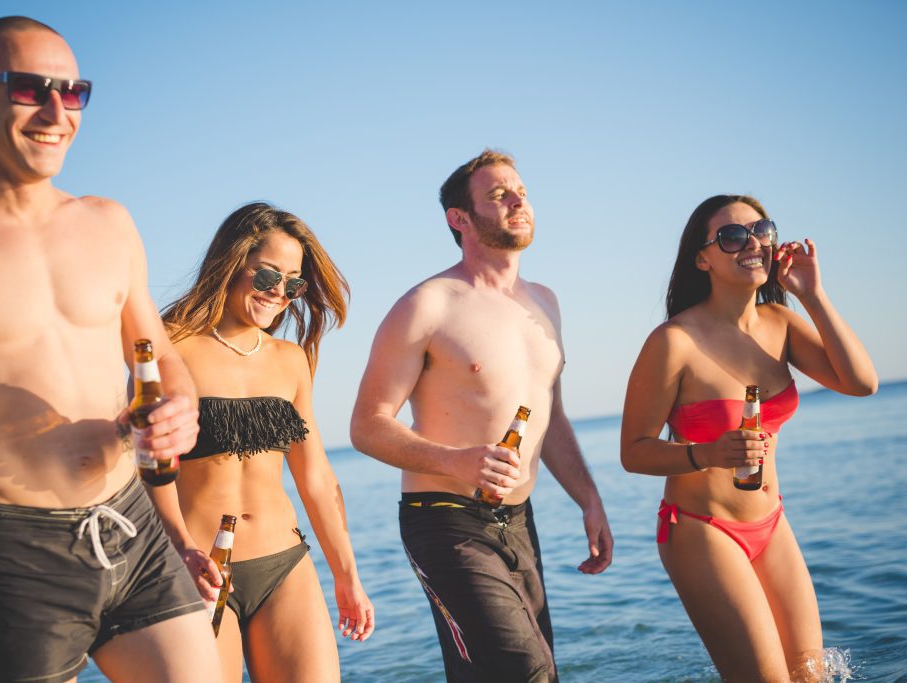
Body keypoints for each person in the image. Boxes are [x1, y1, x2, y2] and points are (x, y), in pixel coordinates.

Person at [0, 16, 222, 683]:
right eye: (28, 88)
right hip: (14, 551)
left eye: (73, 93)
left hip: (132, 522)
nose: (55, 111)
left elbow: (156, 354)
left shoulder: (109, 222)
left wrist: (181, 401)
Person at [350, 149, 613, 682]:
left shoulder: (545, 302)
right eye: (499, 194)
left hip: (519, 521)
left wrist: (588, 498)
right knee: (526, 672)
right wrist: (457, 460)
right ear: (460, 219)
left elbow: (550, 416)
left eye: (521, 191)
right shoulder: (428, 305)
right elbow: (366, 424)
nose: (519, 201)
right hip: (443, 517)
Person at [620, 194, 878, 680]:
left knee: (811, 675)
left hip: (772, 523)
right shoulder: (673, 342)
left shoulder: (780, 323)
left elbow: (862, 383)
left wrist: (813, 294)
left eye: (761, 231)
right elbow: (633, 453)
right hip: (701, 529)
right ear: (703, 259)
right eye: (732, 236)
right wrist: (707, 453)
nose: (752, 243)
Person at [153, 201, 374, 682]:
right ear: (231, 264)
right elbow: (147, 465)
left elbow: (314, 476)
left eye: (293, 284)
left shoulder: (290, 360)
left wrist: (347, 575)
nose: (280, 293)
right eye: (267, 276)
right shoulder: (171, 347)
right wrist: (179, 549)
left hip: (284, 565)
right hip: (199, 569)